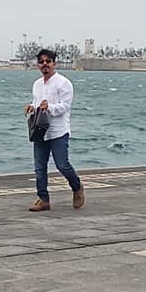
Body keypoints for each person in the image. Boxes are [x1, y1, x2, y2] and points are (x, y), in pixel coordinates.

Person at [24, 48, 85, 212]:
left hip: (58, 131)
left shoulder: (64, 83)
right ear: (38, 65)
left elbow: (65, 107)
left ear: (54, 63)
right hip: (40, 131)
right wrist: (32, 106)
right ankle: (43, 199)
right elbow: (37, 102)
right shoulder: (37, 84)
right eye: (41, 62)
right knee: (39, 167)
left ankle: (77, 187)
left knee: (62, 165)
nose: (45, 65)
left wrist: (49, 107)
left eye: (48, 61)